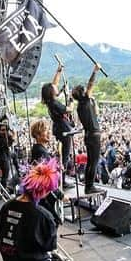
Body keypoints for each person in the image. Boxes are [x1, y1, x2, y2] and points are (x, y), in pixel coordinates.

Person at [73, 62, 103, 194]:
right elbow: (90, 84)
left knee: (91, 161)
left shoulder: (80, 106)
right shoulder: (84, 101)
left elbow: (95, 112)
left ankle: (88, 185)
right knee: (94, 161)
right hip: (93, 135)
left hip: (88, 135)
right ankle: (90, 186)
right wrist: (95, 71)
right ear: (83, 93)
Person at [40, 61, 75, 177]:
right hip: (64, 129)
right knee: (64, 156)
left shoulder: (50, 101)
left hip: (59, 129)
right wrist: (71, 100)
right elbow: (69, 109)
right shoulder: (55, 103)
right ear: (51, 92)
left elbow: (54, 83)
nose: (56, 87)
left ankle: (61, 178)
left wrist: (58, 71)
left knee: (62, 155)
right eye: (53, 88)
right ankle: (62, 180)